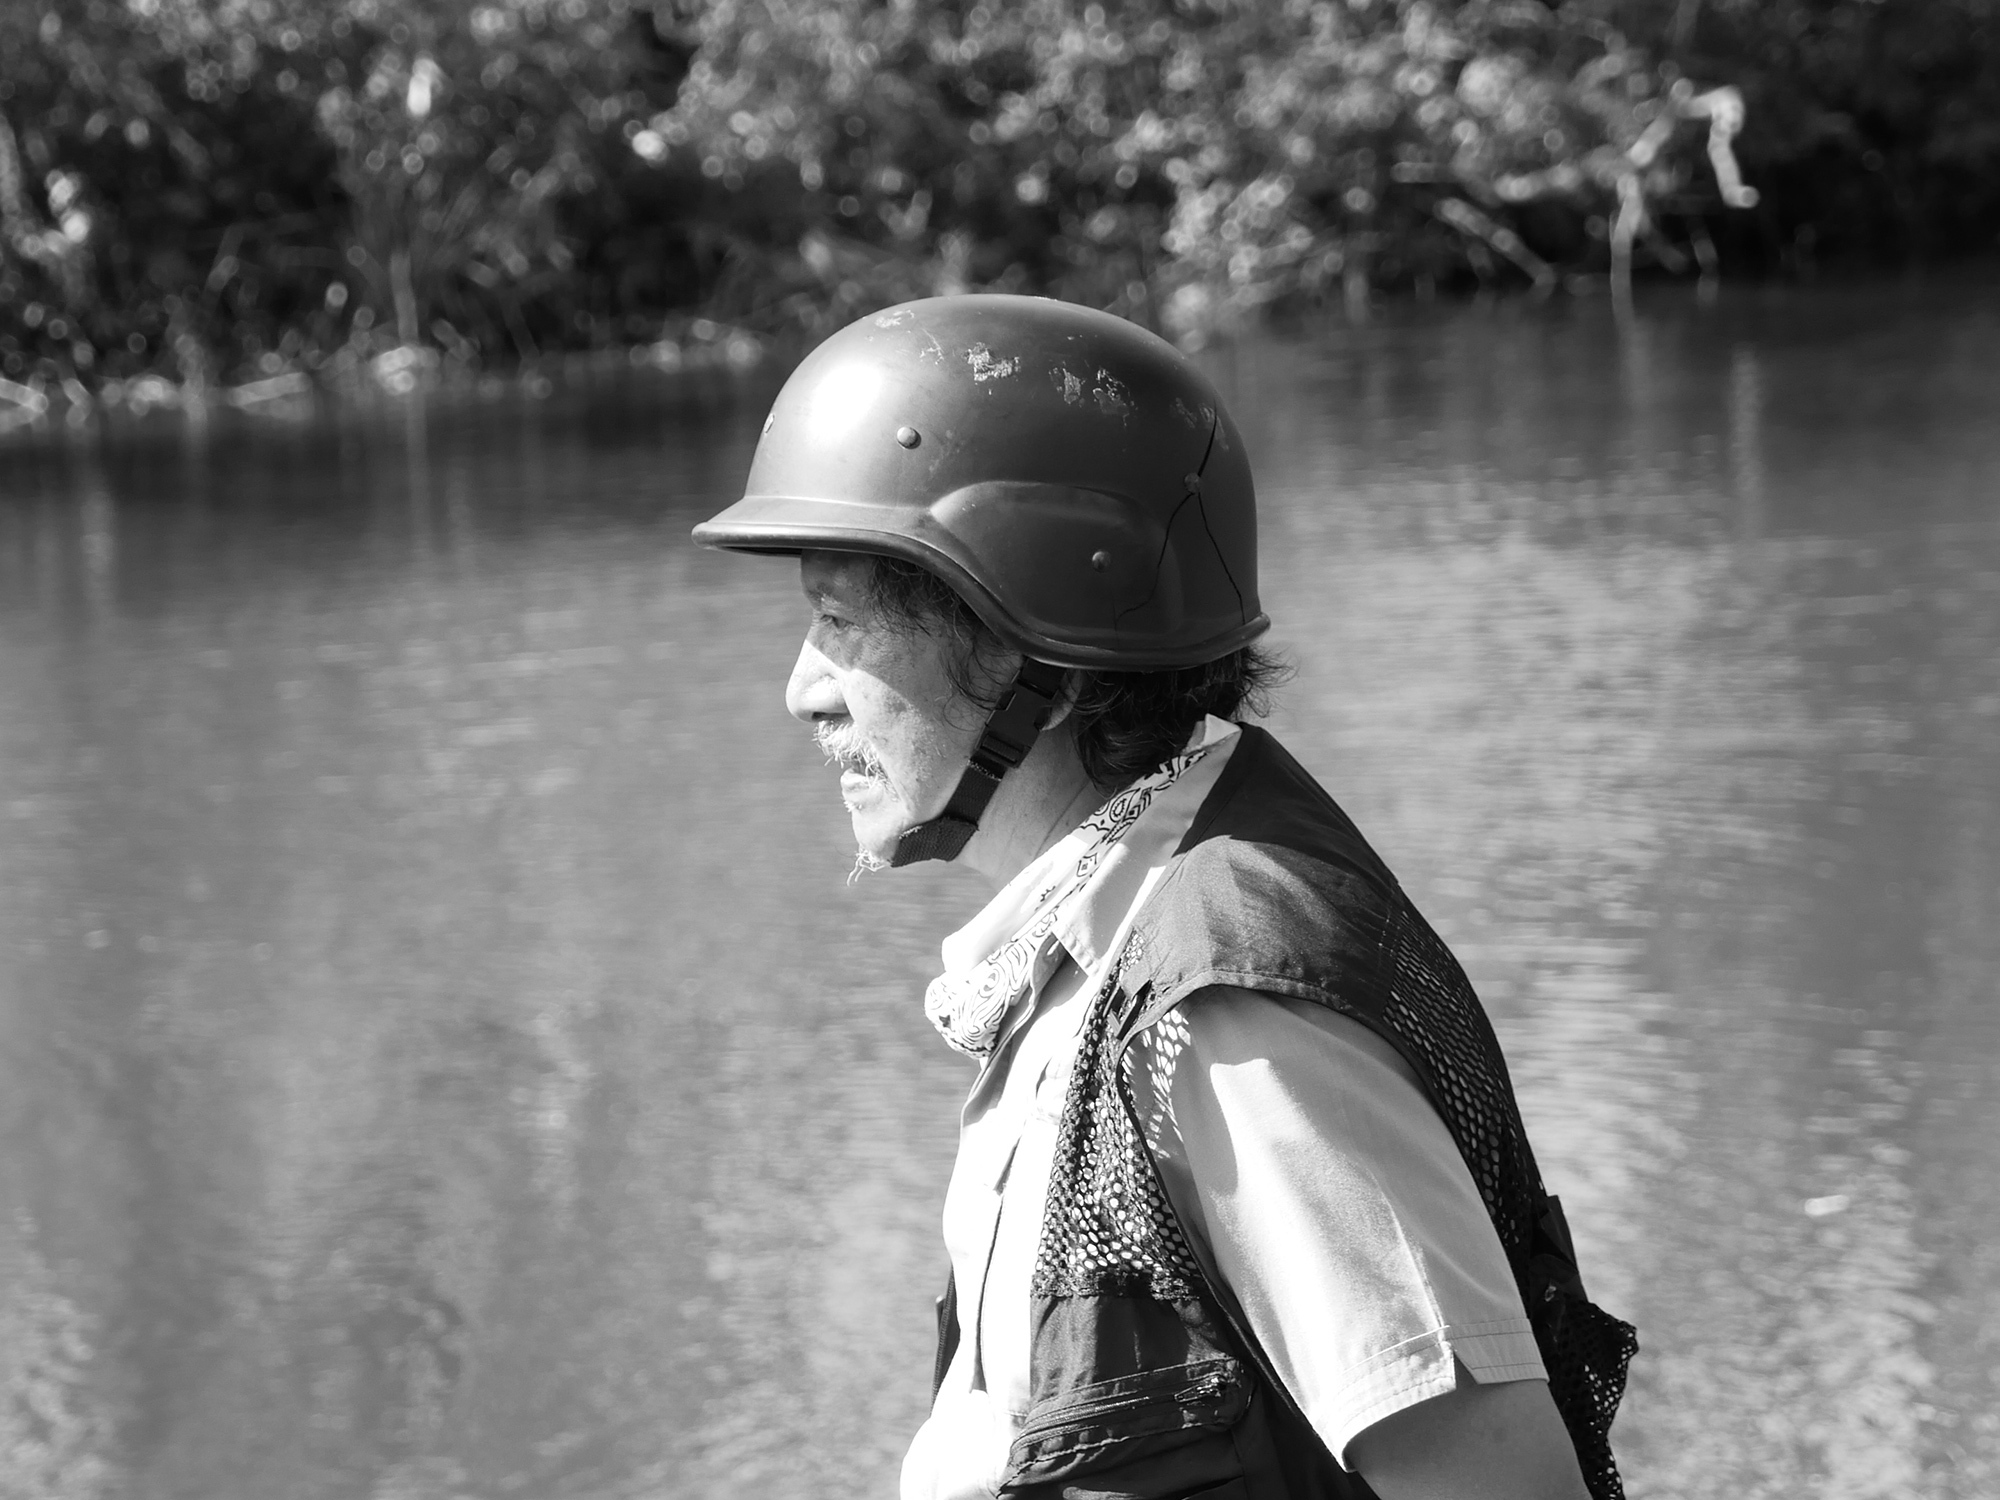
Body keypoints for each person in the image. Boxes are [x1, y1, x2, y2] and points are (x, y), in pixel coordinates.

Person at [693, 295, 1636, 1500]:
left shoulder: (1226, 1011)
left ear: (1029, 641)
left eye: (837, 623)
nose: (802, 691)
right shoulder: (1100, 945)